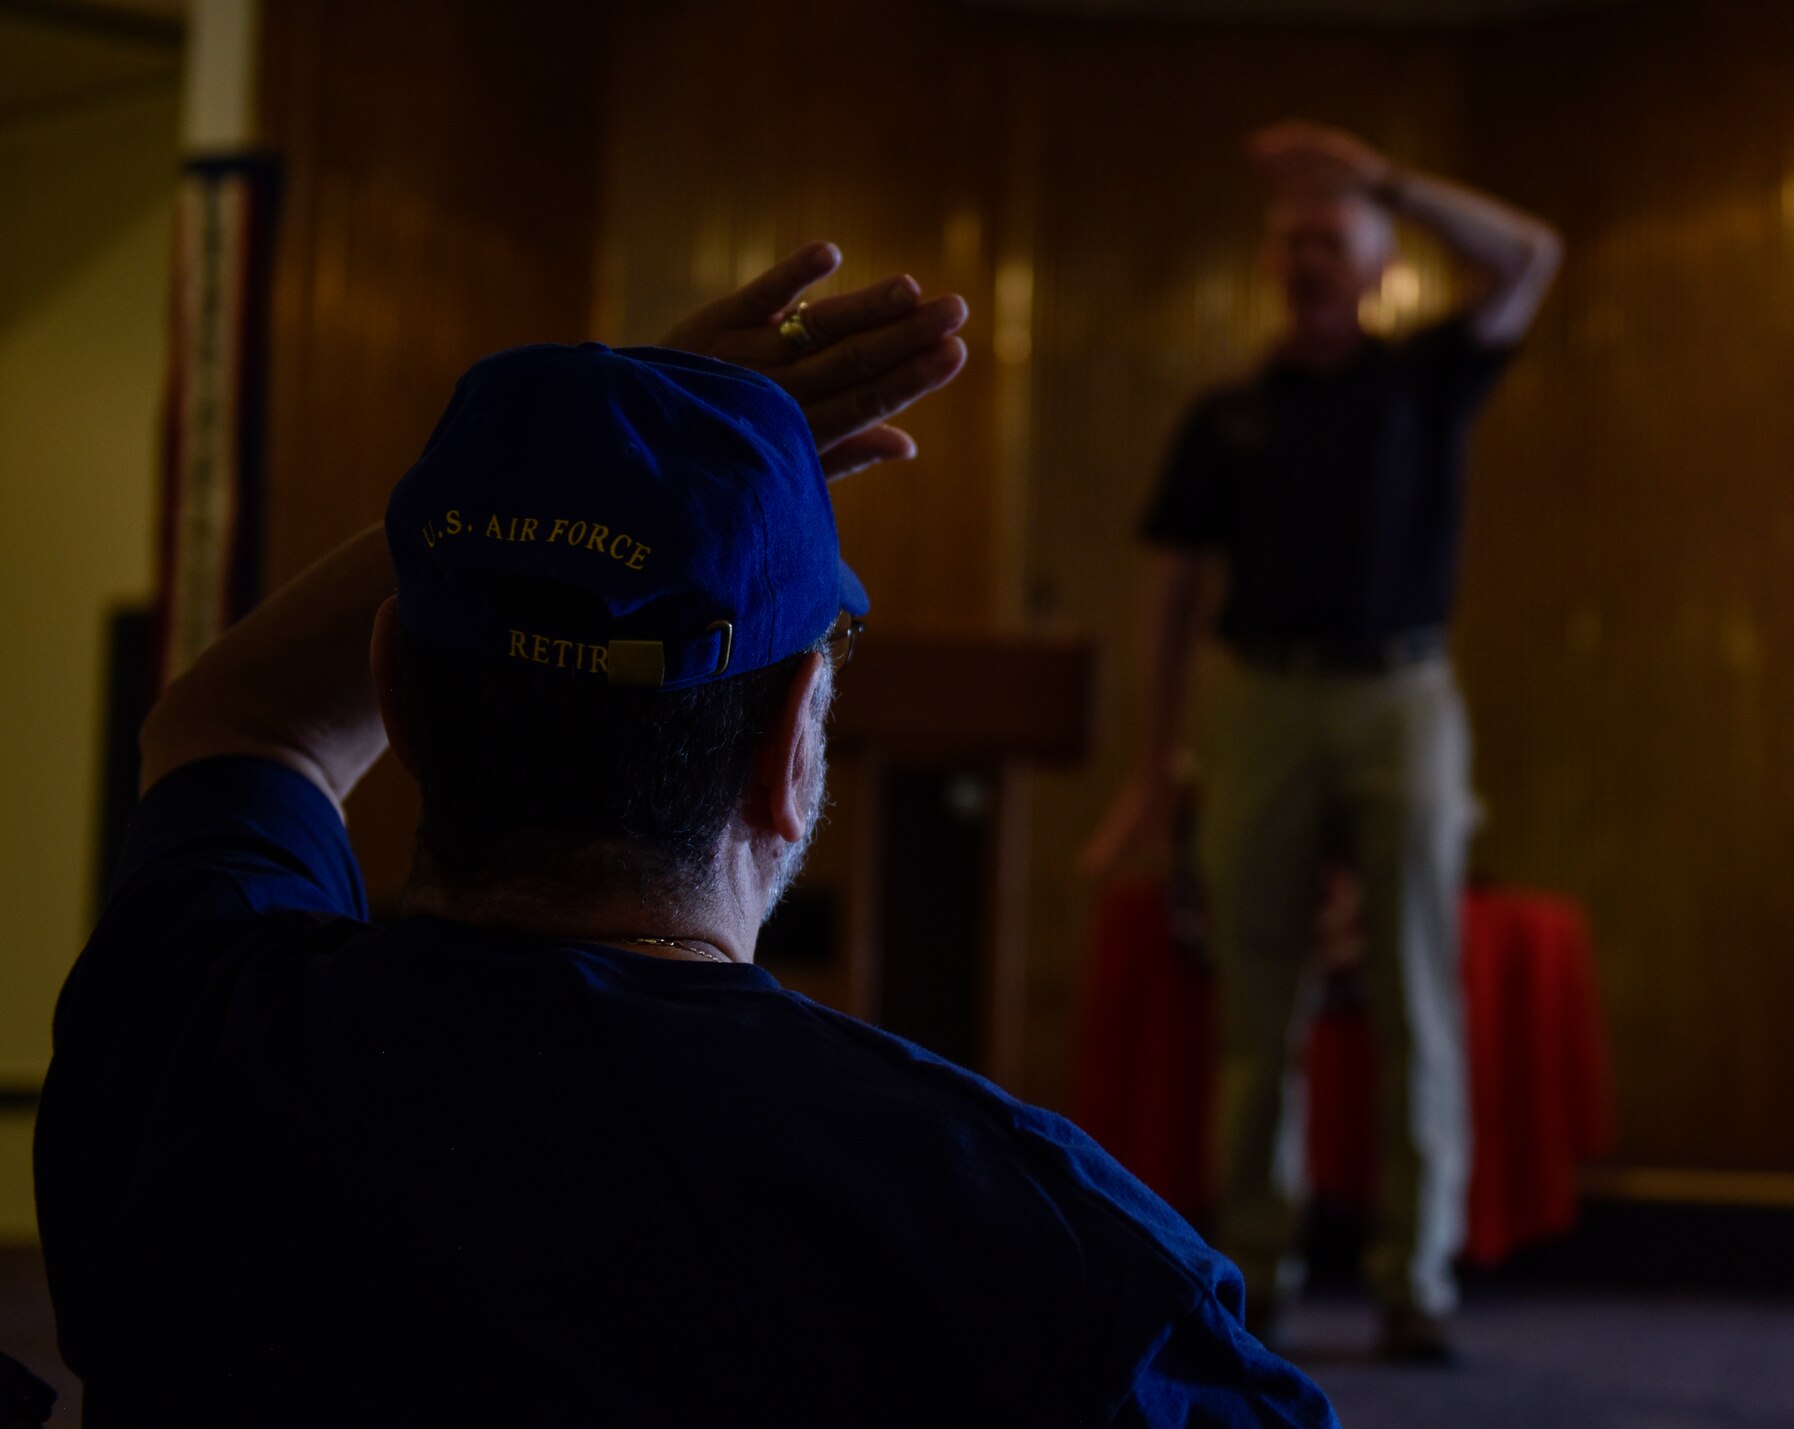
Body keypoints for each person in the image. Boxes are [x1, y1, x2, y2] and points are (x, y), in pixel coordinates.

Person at [33, 243, 1339, 1427]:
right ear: (793, 745)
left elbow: (239, 720)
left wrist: (577, 457)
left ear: (397, 693)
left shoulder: (180, 1032)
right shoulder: (1044, 1255)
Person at [1083, 122, 1562, 1360]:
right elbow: (1172, 597)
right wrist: (1150, 769)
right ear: (1268, 264)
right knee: (1257, 1005)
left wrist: (1385, 178)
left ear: (1373, 260)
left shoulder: (1427, 375)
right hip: (1260, 706)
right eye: (1289, 237)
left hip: (1402, 698)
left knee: (1414, 993)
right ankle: (1253, 1268)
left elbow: (1530, 254)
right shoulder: (1224, 415)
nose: (1306, 252)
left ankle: (1417, 1282)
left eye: (1330, 234)